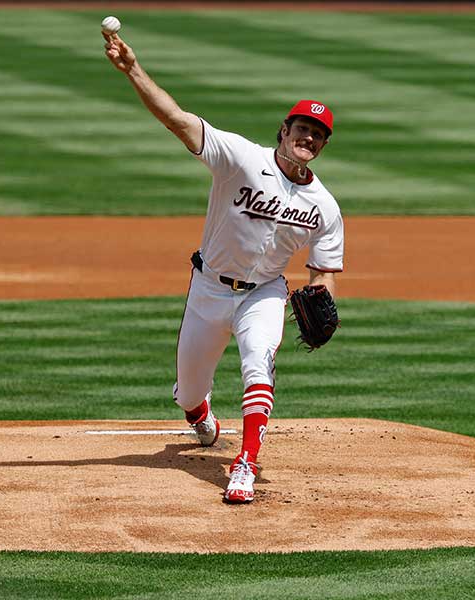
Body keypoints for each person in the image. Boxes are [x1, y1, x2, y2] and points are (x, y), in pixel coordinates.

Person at [103, 31, 344, 504]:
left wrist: (323, 301)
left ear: (322, 145)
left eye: (317, 134)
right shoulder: (239, 158)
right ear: (284, 130)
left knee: (259, 366)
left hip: (265, 293)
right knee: (189, 392)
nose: (308, 138)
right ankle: (199, 414)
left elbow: (323, 272)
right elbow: (176, 119)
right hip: (209, 289)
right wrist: (132, 69)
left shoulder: (325, 207)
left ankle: (245, 463)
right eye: (302, 128)